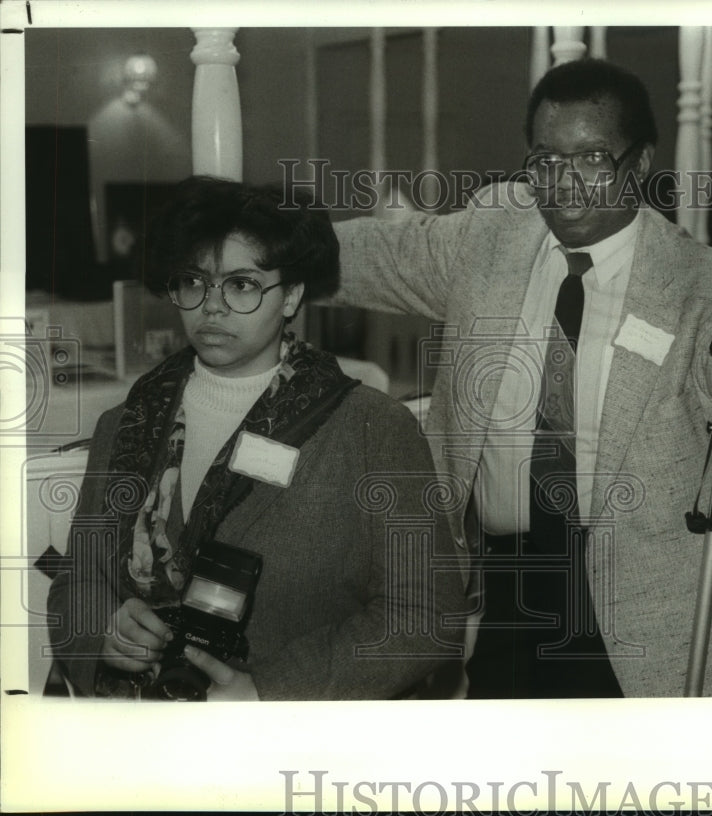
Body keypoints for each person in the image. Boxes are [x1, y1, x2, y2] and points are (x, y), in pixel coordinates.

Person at [327, 58, 712, 697]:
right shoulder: (491, 239)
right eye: (546, 161)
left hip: (662, 603)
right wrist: (253, 244)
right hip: (516, 586)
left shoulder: (703, 283)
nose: (565, 184)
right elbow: (374, 256)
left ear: (640, 161)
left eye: (592, 159)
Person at [47, 176, 467, 701]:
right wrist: (102, 633)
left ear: (291, 296)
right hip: (143, 737)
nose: (212, 307)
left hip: (299, 751)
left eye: (242, 284)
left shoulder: (372, 430)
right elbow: (76, 584)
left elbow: (425, 617)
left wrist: (269, 691)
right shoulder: (127, 424)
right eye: (194, 282)